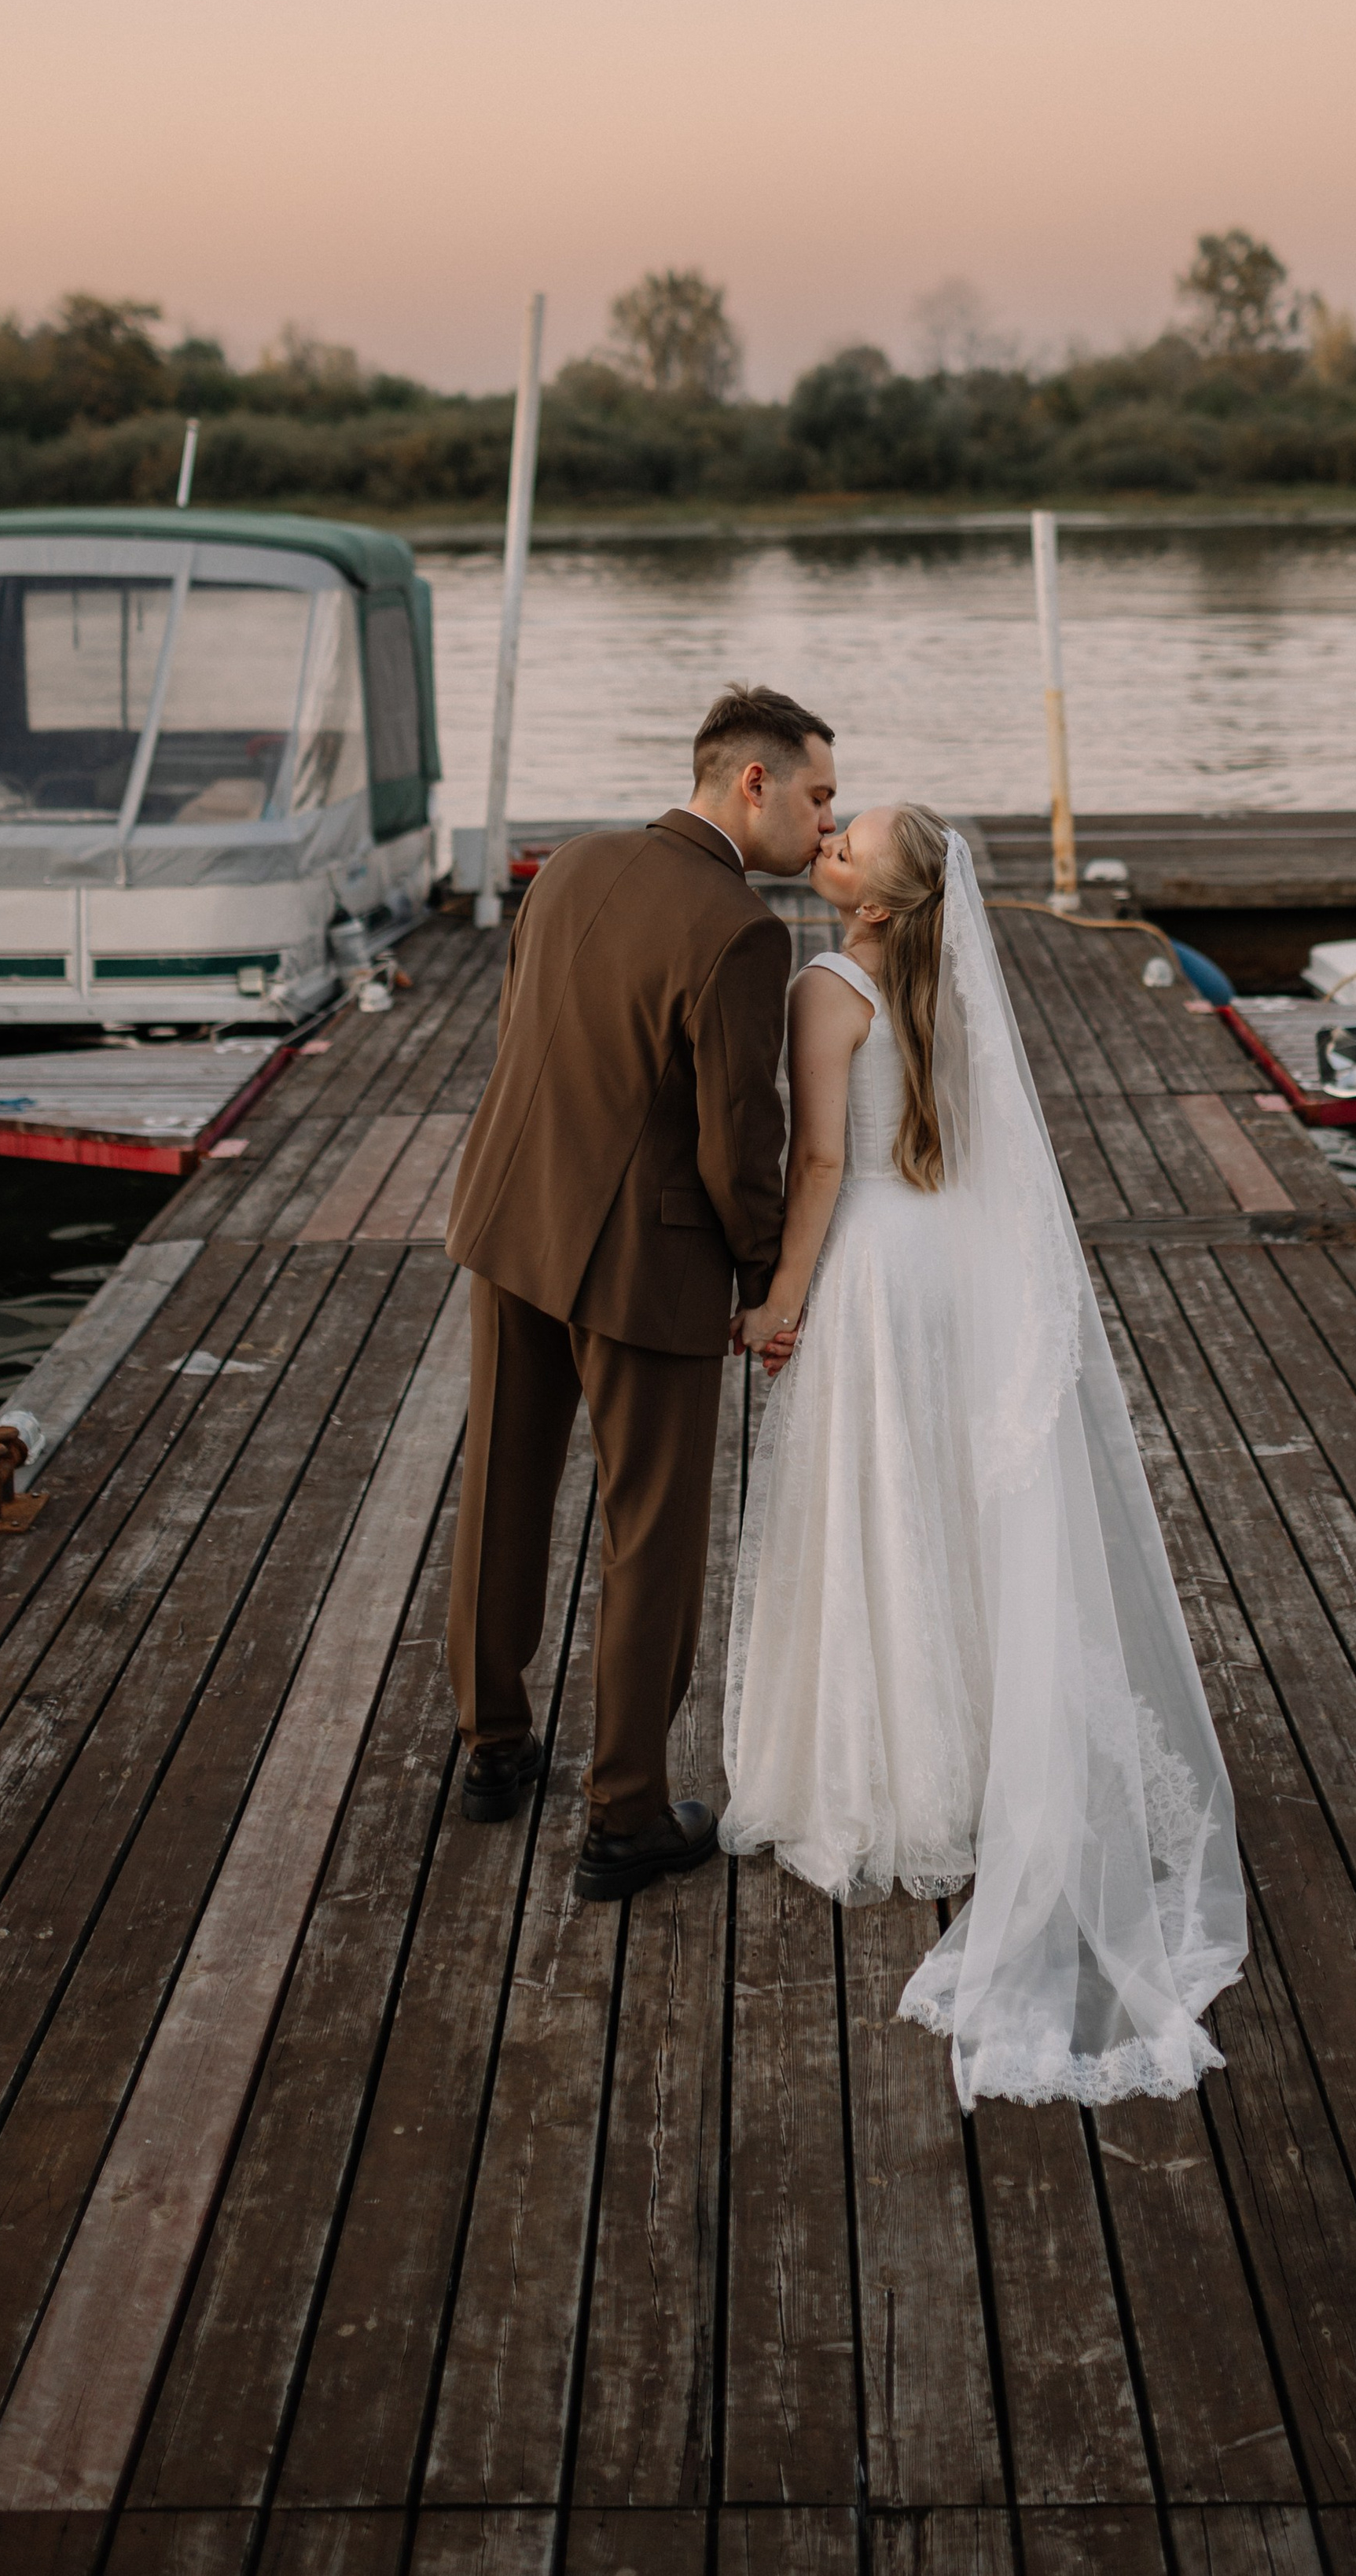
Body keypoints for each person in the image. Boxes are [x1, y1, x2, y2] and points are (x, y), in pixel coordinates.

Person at [721, 804, 1248, 2108]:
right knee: (949, 1505)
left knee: (876, 1509)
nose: (827, 837)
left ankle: (890, 1777)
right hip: (958, 1263)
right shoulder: (949, 984)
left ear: (876, 908)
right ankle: (976, 1739)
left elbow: (825, 1158)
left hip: (882, 1271)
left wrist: (782, 1299)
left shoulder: (827, 985)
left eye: (847, 844)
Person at [444, 685, 837, 1902]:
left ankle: (494, 1749)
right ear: (751, 782)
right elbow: (738, 1142)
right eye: (820, 793)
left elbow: (528, 1037)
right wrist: (775, 1276)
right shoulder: (742, 928)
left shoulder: (569, 865)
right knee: (650, 1533)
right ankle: (621, 1813)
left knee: (504, 1490)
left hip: (514, 1221)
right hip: (644, 1265)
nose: (832, 821)